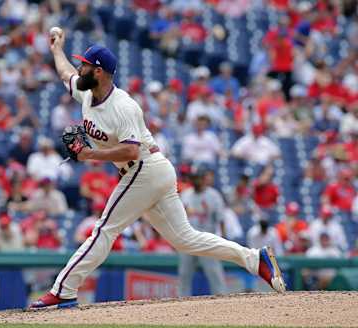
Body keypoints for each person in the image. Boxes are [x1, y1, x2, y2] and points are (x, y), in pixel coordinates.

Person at [29, 29, 286, 309]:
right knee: (186, 239)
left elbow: (131, 149)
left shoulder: (123, 107)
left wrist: (89, 153)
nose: (80, 68)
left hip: (144, 168)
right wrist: (57, 49)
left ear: (99, 72)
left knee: (104, 229)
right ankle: (254, 258)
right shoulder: (88, 93)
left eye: (86, 65)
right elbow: (66, 74)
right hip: (151, 172)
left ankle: (64, 289)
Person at [179, 165, 228, 295]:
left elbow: (221, 220)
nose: (195, 180)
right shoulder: (186, 194)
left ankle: (222, 301)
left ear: (203, 178)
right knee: (184, 274)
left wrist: (223, 240)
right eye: (193, 178)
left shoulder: (214, 195)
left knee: (215, 274)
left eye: (198, 178)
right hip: (188, 240)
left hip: (207, 240)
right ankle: (181, 303)